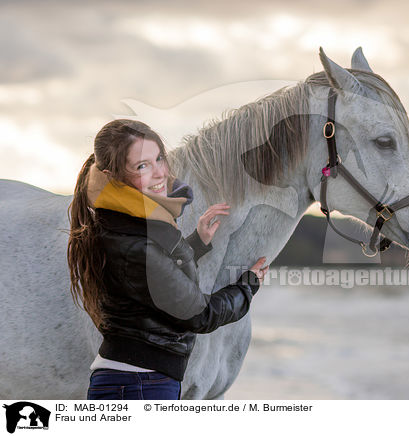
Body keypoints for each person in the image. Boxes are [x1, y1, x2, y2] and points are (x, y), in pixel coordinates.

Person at [67, 119, 269, 400]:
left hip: (134, 379)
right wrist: (247, 287)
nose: (160, 173)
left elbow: (152, 281)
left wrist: (196, 243)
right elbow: (198, 315)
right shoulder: (132, 240)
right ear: (111, 175)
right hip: (140, 383)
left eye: (159, 158)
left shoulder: (126, 223)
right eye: (142, 166)